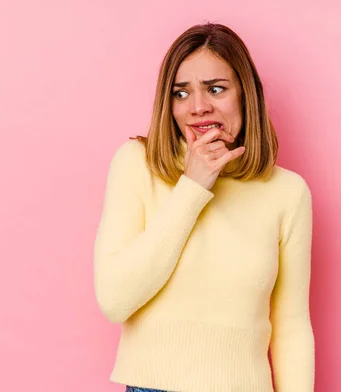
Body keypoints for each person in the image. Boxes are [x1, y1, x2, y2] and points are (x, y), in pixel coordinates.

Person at [93, 22, 314, 392]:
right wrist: (192, 187)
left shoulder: (287, 193)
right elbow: (115, 300)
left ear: (246, 95)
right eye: (181, 94)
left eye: (215, 89)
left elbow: (291, 326)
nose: (198, 107)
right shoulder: (136, 164)